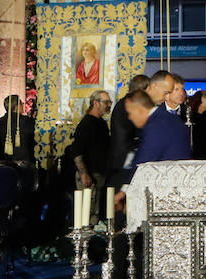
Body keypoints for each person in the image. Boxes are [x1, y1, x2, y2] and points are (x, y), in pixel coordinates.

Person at [63, 89, 112, 224]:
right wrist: (84, 173)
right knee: (87, 214)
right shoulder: (86, 124)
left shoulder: (101, 123)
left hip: (100, 174)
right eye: (106, 102)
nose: (109, 105)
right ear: (96, 103)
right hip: (89, 176)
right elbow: (77, 151)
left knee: (96, 213)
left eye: (110, 102)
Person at [108, 74, 148, 181]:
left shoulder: (125, 104)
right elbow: (123, 138)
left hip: (123, 160)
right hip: (125, 162)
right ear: (141, 90)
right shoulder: (127, 106)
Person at [0, 94, 36, 162]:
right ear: (17, 107)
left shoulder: (0, 121)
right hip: (23, 160)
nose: (23, 105)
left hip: (5, 159)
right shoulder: (24, 120)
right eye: (22, 103)